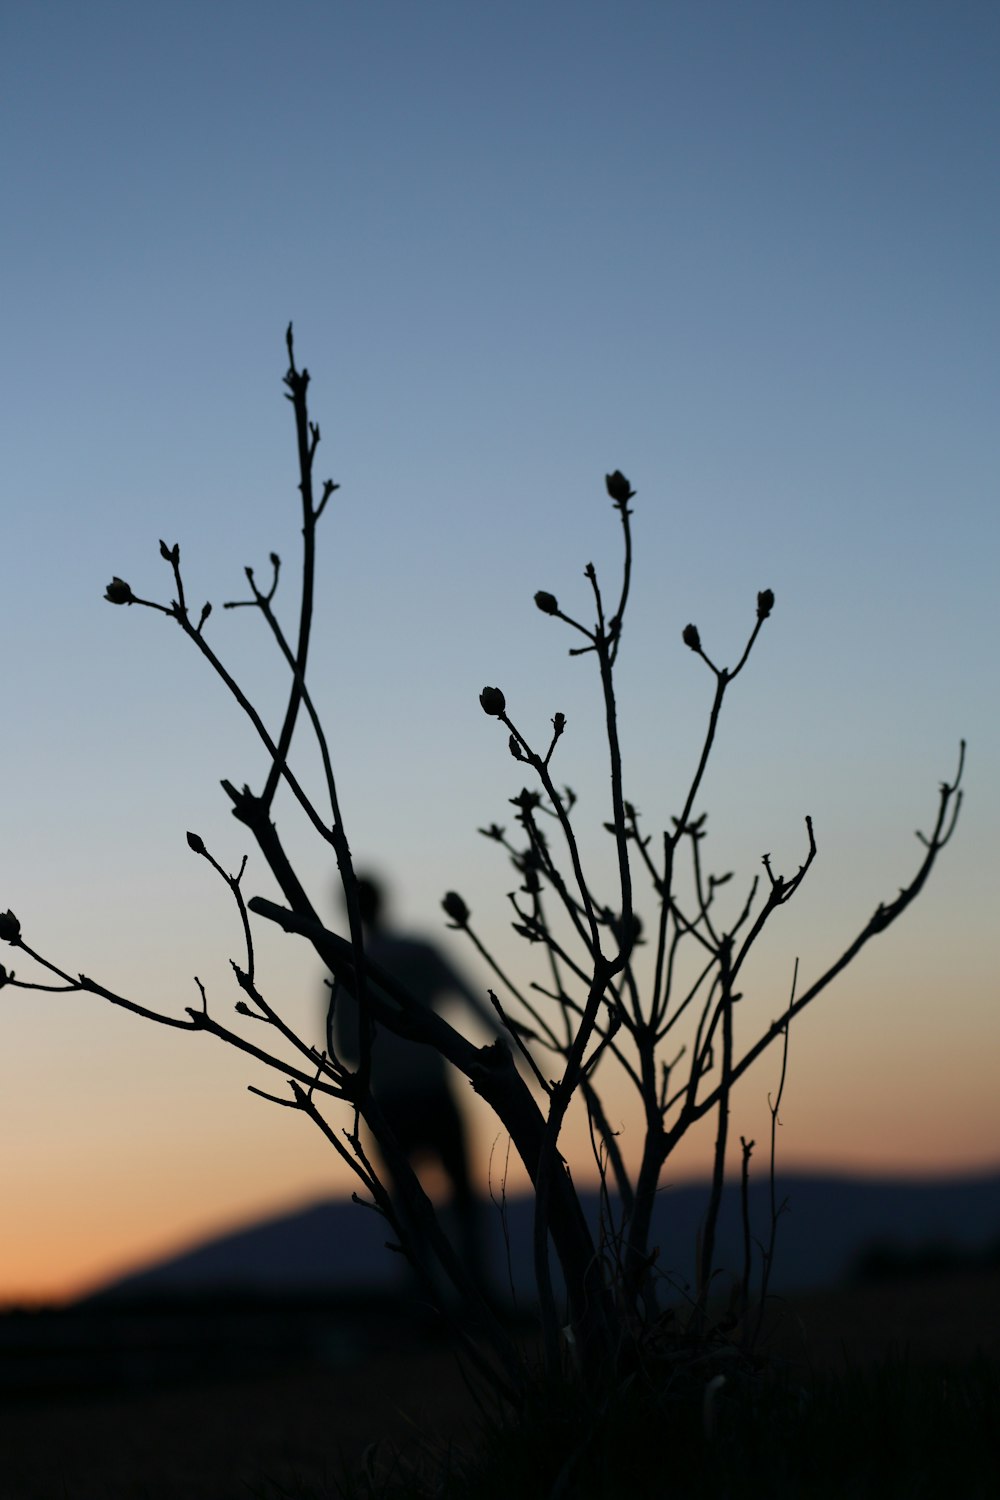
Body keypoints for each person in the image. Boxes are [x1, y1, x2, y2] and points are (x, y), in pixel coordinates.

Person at [327, 873, 497, 1288]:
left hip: (391, 1104)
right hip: (432, 1092)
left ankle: (431, 1307)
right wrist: (516, 1061)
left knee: (410, 1213)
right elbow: (477, 1004)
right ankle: (482, 1299)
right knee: (464, 1206)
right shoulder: (417, 951)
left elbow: (344, 1046)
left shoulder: (346, 964)